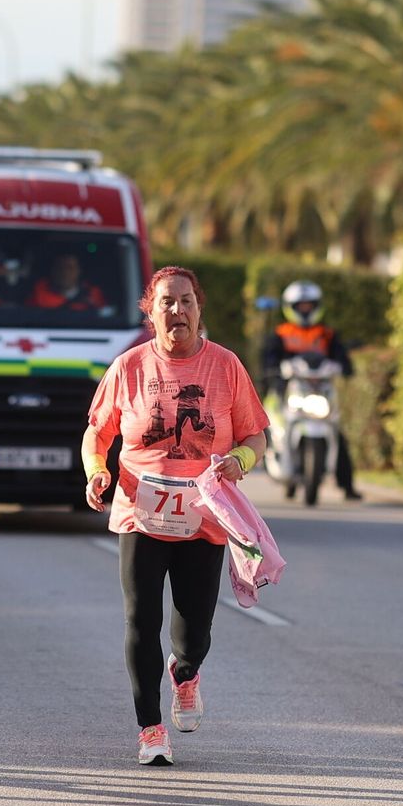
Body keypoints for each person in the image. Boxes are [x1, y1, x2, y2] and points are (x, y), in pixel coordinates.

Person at [82, 266, 268, 766]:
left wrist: (241, 461)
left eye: (186, 301)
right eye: (166, 302)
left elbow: (255, 437)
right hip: (140, 516)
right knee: (140, 619)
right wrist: (97, 471)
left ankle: (184, 673)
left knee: (194, 634)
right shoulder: (128, 368)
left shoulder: (226, 367)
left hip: (204, 518)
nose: (177, 311)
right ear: (151, 311)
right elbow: (96, 434)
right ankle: (150, 728)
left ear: (198, 309)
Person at [261, 280, 362, 500]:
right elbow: (268, 360)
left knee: (337, 433)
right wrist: (273, 373)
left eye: (309, 305)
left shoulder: (327, 334)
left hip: (319, 392)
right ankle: (271, 461)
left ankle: (348, 486)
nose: (306, 309)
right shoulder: (281, 334)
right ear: (291, 307)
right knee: (271, 427)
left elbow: (342, 358)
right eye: (301, 306)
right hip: (288, 391)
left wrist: (345, 367)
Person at [27, 252, 104, 310]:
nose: (65, 272)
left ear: (79, 271)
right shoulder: (38, 294)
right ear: (53, 270)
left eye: (70, 268)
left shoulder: (93, 294)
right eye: (60, 267)